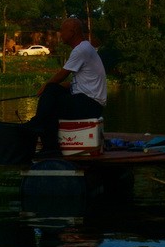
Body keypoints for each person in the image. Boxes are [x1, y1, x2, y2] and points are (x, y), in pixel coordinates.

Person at [27, 17, 106, 154]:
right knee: (53, 91)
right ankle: (39, 124)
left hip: (90, 104)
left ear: (73, 31)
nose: (60, 34)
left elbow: (62, 74)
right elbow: (77, 82)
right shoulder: (86, 48)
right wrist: (53, 88)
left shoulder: (81, 50)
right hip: (89, 102)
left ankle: (50, 147)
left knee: (51, 103)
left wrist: (45, 86)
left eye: (62, 31)